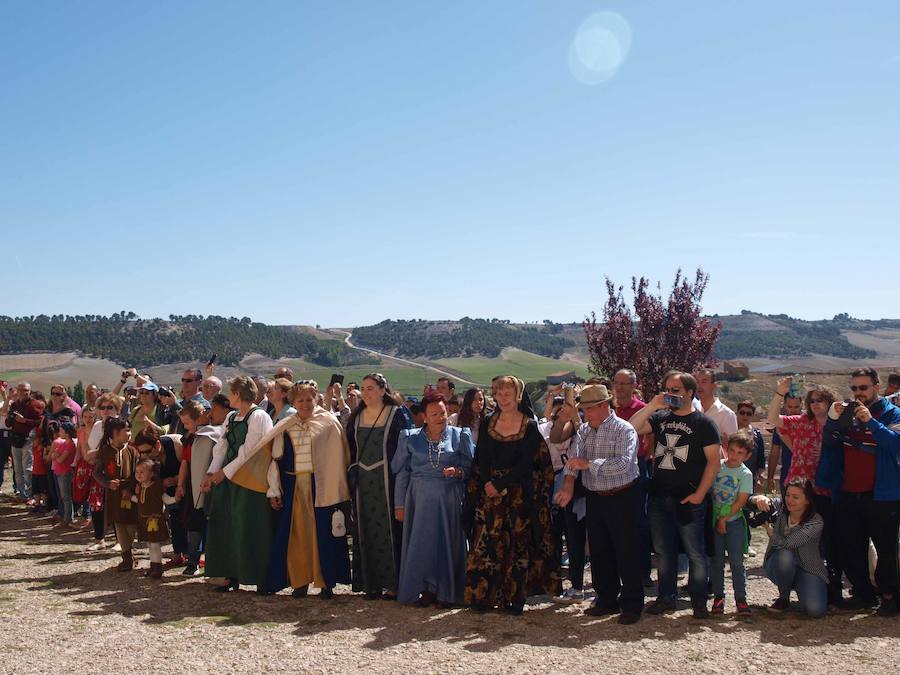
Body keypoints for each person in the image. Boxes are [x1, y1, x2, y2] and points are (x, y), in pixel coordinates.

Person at [629, 371, 720, 618]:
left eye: (676, 390)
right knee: (663, 552)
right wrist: (652, 405)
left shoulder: (704, 423)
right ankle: (666, 597)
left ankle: (699, 600)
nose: (671, 394)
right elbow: (633, 427)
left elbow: (714, 462)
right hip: (659, 496)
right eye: (667, 389)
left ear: (690, 392)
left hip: (689, 497)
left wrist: (701, 494)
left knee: (695, 552)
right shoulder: (659, 419)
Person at [465, 376, 559, 615]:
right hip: (490, 494)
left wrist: (503, 483)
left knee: (517, 547)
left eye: (508, 393)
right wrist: (488, 483)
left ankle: (513, 599)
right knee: (487, 543)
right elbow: (482, 455)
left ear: (518, 396)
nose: (503, 398)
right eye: (499, 393)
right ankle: (483, 597)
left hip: (519, 494)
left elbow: (528, 462)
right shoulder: (488, 422)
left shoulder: (528, 425)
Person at [555, 384, 643, 623]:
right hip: (596, 496)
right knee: (600, 549)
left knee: (626, 550)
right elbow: (573, 461)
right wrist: (569, 483)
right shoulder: (584, 430)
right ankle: (606, 599)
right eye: (584, 409)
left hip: (623, 496)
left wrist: (588, 464)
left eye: (590, 409)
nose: (587, 413)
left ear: (604, 406)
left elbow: (624, 463)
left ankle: (632, 604)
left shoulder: (624, 430)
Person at [816, 367, 900, 616]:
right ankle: (863, 594)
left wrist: (871, 422)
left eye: (863, 388)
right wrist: (832, 420)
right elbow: (830, 442)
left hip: (882, 493)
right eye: (854, 388)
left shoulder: (892, 413)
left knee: (886, 550)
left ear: (876, 385)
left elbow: (895, 443)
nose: (858, 393)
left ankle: (890, 596)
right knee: (852, 548)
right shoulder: (848, 413)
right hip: (848, 491)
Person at [263, 382, 352, 598]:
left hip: (322, 485)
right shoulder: (286, 424)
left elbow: (339, 458)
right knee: (297, 534)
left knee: (323, 534)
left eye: (309, 400)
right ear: (293, 402)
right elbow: (276, 458)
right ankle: (299, 580)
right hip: (294, 487)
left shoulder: (328, 423)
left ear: (317, 399)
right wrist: (274, 489)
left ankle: (326, 581)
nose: (305, 404)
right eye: (300, 400)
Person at [392, 392, 474, 606]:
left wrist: (457, 472)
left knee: (447, 543)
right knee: (422, 545)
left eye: (443, 413)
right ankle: (425, 589)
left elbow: (471, 469)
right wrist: (399, 504)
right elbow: (401, 473)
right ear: (424, 416)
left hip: (449, 500)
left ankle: (448, 591)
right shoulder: (410, 437)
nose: (440, 417)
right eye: (434, 413)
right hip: (419, 501)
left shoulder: (460, 435)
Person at [766, 378, 842, 604]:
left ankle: (830, 589)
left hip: (826, 491)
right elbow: (772, 419)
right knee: (790, 539)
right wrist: (779, 394)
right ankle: (784, 592)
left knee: (828, 541)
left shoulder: (837, 426)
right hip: (798, 490)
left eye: (821, 400)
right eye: (813, 400)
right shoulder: (801, 421)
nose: (816, 404)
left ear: (830, 402)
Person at [201, 376, 275, 592]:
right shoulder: (232, 417)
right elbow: (222, 447)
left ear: (239, 393)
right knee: (226, 525)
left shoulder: (258, 416)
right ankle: (230, 574)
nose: (228, 395)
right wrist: (211, 472)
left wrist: (223, 473)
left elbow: (249, 451)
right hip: (228, 479)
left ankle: (261, 577)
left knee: (251, 526)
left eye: (231, 391)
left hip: (250, 480)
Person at [346, 373, 413, 599]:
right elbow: (351, 451)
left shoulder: (397, 415)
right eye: (363, 388)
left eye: (371, 388)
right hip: (364, 483)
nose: (366, 392)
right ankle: (370, 582)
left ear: (384, 390)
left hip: (389, 482)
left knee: (391, 532)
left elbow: (406, 451)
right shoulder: (356, 417)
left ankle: (394, 583)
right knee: (365, 530)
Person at [749, 480, 828, 618]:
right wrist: (759, 499)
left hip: (808, 568)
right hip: (780, 563)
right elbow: (749, 501)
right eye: (787, 495)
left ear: (807, 500)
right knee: (785, 557)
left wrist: (770, 531)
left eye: (796, 497)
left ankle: (804, 588)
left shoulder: (816, 521)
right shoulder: (780, 507)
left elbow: (789, 543)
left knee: (815, 610)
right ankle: (783, 598)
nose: (790, 500)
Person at [539, 393, 585, 604]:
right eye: (559, 411)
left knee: (575, 538)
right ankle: (553, 585)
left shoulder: (581, 428)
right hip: (552, 486)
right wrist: (563, 419)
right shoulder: (547, 430)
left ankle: (576, 586)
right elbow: (556, 438)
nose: (562, 413)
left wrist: (574, 417)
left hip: (579, 488)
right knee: (553, 537)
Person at [611, 369, 654, 587]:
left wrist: (645, 456)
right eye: (616, 382)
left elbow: (652, 437)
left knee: (639, 521)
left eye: (624, 383)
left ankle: (643, 571)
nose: (620, 387)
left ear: (633, 385)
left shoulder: (643, 409)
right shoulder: (607, 407)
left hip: (636, 467)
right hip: (609, 469)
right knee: (614, 521)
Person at [175, 400, 222, 576]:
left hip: (210, 486)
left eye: (187, 423)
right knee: (194, 527)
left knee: (210, 526)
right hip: (193, 487)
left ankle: (211, 561)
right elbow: (185, 463)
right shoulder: (190, 439)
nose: (186, 427)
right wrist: (180, 485)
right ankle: (192, 561)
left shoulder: (214, 435)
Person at [710, 430, 754, 616]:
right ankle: (718, 597)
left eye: (740, 453)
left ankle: (741, 599)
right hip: (714, 521)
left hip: (733, 523)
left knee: (737, 562)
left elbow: (740, 501)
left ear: (747, 455)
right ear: (726, 449)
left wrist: (724, 519)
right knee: (717, 561)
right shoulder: (717, 466)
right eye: (732, 451)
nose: (735, 456)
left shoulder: (745, 474)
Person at [93, 417, 138, 571]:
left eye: (129, 430)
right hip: (114, 495)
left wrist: (130, 488)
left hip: (130, 494)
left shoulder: (132, 451)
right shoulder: (104, 452)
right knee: (119, 524)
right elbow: (97, 473)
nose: (129, 433)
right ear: (115, 432)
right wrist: (108, 483)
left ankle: (130, 550)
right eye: (126, 430)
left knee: (131, 524)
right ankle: (127, 557)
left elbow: (136, 473)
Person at [85, 394, 125, 550]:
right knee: (97, 504)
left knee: (115, 504)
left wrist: (98, 453)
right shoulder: (97, 426)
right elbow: (91, 447)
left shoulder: (121, 425)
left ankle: (119, 540)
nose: (106, 411)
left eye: (110, 407)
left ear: (117, 409)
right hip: (100, 468)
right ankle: (99, 539)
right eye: (102, 407)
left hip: (117, 468)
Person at [131, 458, 177, 579]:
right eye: (137, 472)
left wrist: (176, 499)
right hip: (143, 520)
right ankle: (153, 566)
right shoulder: (140, 487)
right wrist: (131, 497)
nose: (139, 474)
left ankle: (158, 568)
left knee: (155, 545)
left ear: (151, 474)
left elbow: (166, 499)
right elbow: (141, 502)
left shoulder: (157, 487)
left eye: (142, 472)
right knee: (150, 545)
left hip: (154, 520)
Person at [6, 382, 44, 501]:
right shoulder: (14, 405)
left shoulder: (35, 404)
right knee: (17, 469)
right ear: (17, 391)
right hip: (15, 438)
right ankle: (21, 494)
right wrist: (11, 418)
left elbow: (40, 422)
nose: (24, 392)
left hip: (28, 439)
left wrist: (24, 421)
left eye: (26, 390)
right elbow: (8, 423)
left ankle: (30, 494)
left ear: (29, 391)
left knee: (27, 468)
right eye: (21, 390)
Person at [767, 394, 803, 494]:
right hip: (787, 476)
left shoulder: (808, 424)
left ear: (801, 405)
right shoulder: (780, 426)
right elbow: (774, 453)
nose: (793, 410)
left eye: (796, 407)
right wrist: (770, 477)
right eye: (790, 407)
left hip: (806, 477)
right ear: (785, 406)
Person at [694, 368, 737, 449]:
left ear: (714, 385)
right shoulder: (692, 409)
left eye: (704, 382)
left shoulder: (727, 414)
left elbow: (732, 448)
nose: (699, 386)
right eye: (697, 382)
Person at [49, 421, 78, 529]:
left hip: (65, 473)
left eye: (61, 430)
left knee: (66, 497)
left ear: (67, 433)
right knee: (63, 496)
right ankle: (67, 517)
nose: (59, 432)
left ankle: (68, 518)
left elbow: (60, 459)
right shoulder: (64, 443)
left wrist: (55, 455)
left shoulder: (70, 445)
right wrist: (55, 455)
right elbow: (54, 456)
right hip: (59, 472)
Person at [735, 400, 766, 491]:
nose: (745, 416)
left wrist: (760, 478)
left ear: (752, 416)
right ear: (737, 413)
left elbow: (761, 460)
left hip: (748, 481)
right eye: (742, 413)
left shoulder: (757, 435)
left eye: (748, 414)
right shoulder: (730, 430)